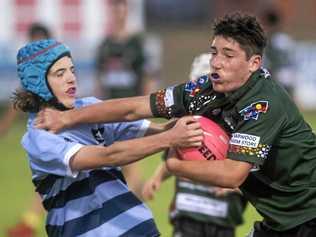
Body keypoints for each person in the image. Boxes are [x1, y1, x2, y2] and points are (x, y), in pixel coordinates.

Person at [35, 12, 316, 236]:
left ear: (254, 63)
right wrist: (68, 117)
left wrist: (173, 165)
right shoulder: (203, 90)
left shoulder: (262, 104)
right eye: (214, 52)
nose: (216, 63)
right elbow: (136, 107)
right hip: (281, 220)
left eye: (228, 55)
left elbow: (232, 174)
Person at [14, 39, 203, 237]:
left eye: (72, 70)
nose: (71, 78)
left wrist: (184, 126)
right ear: (38, 83)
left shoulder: (88, 107)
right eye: (60, 74)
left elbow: (148, 124)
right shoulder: (39, 138)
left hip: (139, 228)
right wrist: (171, 138)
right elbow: (109, 156)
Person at [142, 53, 247, 237]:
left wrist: (237, 185)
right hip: (188, 207)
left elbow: (250, 169)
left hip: (221, 213)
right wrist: (157, 178)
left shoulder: (239, 126)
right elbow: (172, 158)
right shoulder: (187, 124)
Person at [94, 0, 160, 196]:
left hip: (132, 110)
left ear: (126, 11)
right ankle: (139, 196)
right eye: (114, 8)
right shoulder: (104, 45)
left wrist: (147, 106)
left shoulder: (136, 43)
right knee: (120, 160)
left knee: (130, 159)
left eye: (121, 7)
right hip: (110, 111)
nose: (118, 12)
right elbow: (100, 80)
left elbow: (148, 76)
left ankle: (131, 205)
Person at [6, 22, 52, 237]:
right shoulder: (32, 72)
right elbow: (19, 100)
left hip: (52, 129)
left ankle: (29, 225)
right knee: (47, 178)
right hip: (40, 130)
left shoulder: (51, 70)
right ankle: (30, 223)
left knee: (49, 176)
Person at [261, 8, 296, 98]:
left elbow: (270, 62)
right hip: (289, 75)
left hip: (278, 76)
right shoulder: (286, 39)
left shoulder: (271, 40)